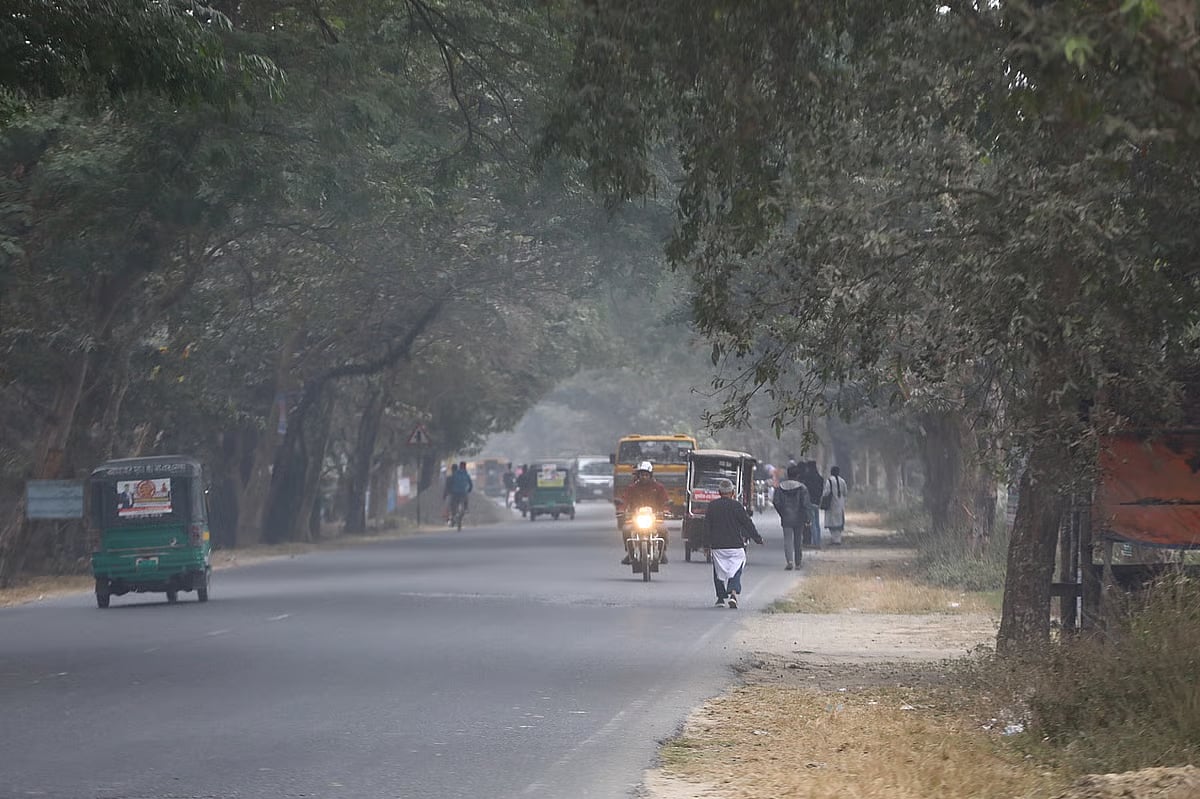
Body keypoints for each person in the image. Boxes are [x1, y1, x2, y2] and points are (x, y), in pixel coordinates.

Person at [704, 478, 764, 608]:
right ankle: (733, 593)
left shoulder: (712, 506)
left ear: (719, 492)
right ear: (732, 492)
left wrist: (706, 545)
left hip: (717, 546)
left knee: (718, 570)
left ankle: (720, 598)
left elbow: (707, 527)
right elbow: (747, 524)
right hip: (736, 546)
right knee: (736, 569)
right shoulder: (737, 506)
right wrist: (757, 538)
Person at [617, 460, 670, 565]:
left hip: (654, 517)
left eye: (646, 475)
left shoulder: (658, 487)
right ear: (638, 475)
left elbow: (665, 501)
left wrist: (666, 510)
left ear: (650, 475)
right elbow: (625, 500)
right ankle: (630, 553)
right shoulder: (632, 488)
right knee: (626, 530)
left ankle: (662, 552)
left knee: (663, 530)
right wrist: (621, 510)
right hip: (635, 517)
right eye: (642, 475)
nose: (644, 477)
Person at [772, 463, 812, 570]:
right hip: (799, 518)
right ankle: (798, 563)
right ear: (798, 475)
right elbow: (806, 504)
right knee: (798, 540)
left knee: (788, 540)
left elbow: (776, 502)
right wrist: (808, 518)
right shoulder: (802, 488)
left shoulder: (780, 487)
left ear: (787, 475)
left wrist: (782, 512)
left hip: (786, 517)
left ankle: (789, 561)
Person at [821, 465, 849, 545]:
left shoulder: (829, 481)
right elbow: (845, 492)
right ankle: (838, 539)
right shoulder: (842, 481)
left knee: (832, 522)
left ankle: (834, 539)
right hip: (840, 504)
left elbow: (826, 492)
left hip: (831, 504)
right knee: (839, 521)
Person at [802, 460, 824, 549]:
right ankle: (817, 541)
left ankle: (814, 542)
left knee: (812, 522)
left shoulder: (807, 478)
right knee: (817, 523)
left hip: (809, 502)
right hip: (817, 502)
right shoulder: (820, 478)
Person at [446, 460, 473, 525]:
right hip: (463, 492)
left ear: (459, 466)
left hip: (455, 492)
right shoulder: (466, 474)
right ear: (465, 467)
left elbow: (450, 483)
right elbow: (471, 484)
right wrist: (469, 490)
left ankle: (453, 516)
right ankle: (466, 509)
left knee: (453, 505)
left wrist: (449, 490)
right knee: (465, 500)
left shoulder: (455, 474)